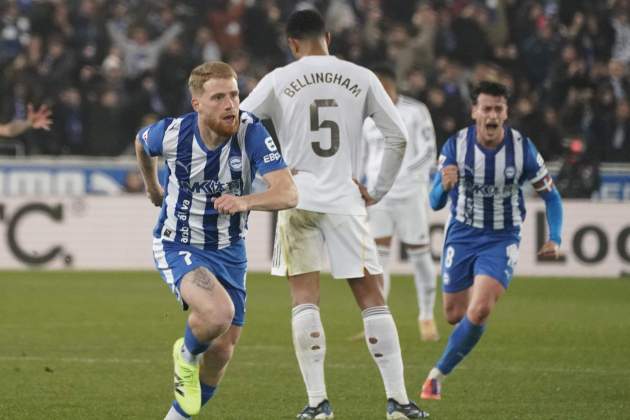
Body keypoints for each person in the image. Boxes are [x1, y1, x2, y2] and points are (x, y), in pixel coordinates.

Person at [241, 9, 428, 420]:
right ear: (328, 36)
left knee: (304, 299)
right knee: (372, 298)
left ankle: (317, 404)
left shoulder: (277, 79)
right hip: (346, 198)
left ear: (292, 43)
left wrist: (268, 174)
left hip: (295, 198)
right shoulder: (362, 77)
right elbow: (397, 137)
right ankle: (398, 401)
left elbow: (239, 125)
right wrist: (375, 190)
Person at [135, 61, 297, 420]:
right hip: (179, 243)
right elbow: (142, 143)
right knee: (216, 314)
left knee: (222, 351)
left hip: (230, 251)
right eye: (219, 97)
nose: (231, 105)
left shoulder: (251, 133)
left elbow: (288, 194)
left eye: (235, 95)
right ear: (197, 104)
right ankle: (186, 355)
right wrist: (152, 187)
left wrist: (245, 201)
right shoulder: (174, 134)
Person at [419, 81, 563, 400]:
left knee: (481, 308)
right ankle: (452, 351)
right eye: (486, 108)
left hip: (502, 237)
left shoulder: (522, 148)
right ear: (475, 112)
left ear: (506, 113)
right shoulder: (455, 146)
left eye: (498, 108)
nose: (492, 114)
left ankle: (436, 375)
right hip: (462, 233)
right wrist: (443, 185)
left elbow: (552, 197)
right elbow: (434, 202)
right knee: (454, 314)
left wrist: (555, 236)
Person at [359, 64, 439, 342]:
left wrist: (404, 175)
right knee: (378, 258)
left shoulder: (416, 111)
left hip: (409, 193)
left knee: (420, 253)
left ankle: (426, 316)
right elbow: (363, 157)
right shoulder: (367, 118)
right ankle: (380, 320)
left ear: (390, 86)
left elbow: (429, 151)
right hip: (376, 198)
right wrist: (360, 184)